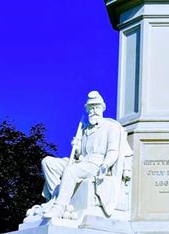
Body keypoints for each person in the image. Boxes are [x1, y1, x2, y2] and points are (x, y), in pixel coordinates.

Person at [25, 91, 132, 221]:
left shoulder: (111, 127)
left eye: (96, 107)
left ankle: (59, 207)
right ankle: (56, 197)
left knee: (71, 170)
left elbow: (113, 151)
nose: (93, 111)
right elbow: (79, 155)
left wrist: (105, 165)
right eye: (90, 108)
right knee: (48, 162)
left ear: (103, 108)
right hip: (81, 163)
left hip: (96, 165)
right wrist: (76, 147)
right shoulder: (84, 130)